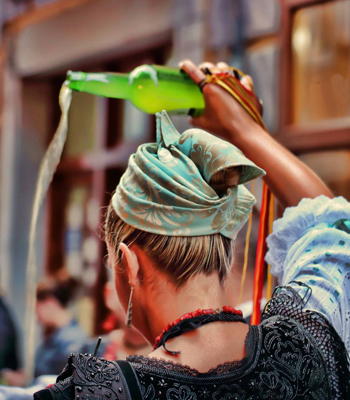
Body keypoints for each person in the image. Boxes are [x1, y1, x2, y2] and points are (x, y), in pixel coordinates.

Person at [34, 61, 350, 399]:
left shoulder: (100, 392)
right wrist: (243, 127)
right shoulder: (303, 349)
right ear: (221, 249)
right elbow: (330, 225)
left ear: (129, 263)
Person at [34, 270, 87, 377]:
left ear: (49, 302)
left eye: (37, 307)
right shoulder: (56, 336)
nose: (36, 314)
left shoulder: (71, 340)